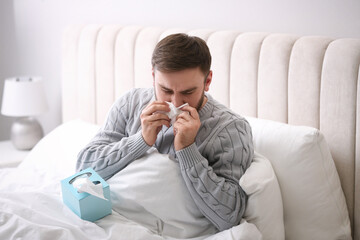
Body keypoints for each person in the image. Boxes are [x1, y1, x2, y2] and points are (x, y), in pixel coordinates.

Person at [76, 33, 254, 231]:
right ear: (153, 76)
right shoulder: (131, 102)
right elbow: (82, 170)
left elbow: (228, 216)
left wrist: (187, 150)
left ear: (208, 80)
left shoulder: (230, 128)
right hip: (105, 221)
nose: (175, 103)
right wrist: (141, 140)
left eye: (188, 92)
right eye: (165, 90)